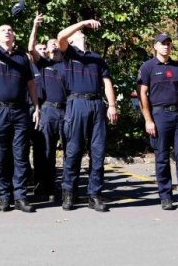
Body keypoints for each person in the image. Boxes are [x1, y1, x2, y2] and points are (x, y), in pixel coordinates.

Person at [0, 0, 40, 213]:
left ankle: (20, 196)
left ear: (14, 35)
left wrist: (37, 107)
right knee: (0, 155)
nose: (7, 32)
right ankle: (4, 196)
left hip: (20, 111)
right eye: (3, 30)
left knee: (21, 155)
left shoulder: (22, 58)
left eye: (10, 30)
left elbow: (31, 84)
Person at [56, 18, 118, 212]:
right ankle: (69, 193)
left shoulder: (97, 58)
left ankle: (95, 195)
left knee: (98, 151)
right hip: (77, 103)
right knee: (73, 151)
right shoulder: (69, 53)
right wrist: (82, 23)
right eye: (78, 32)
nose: (81, 33)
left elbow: (107, 82)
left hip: (97, 103)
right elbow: (60, 36)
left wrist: (112, 105)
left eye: (82, 31)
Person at [138, 34, 178, 211]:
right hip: (159, 115)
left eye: (168, 44)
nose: (166, 46)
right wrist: (148, 120)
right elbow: (142, 94)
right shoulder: (148, 67)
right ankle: (165, 196)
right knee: (162, 158)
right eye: (162, 44)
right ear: (155, 47)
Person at [28, 14, 67, 203]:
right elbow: (30, 48)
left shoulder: (67, 65)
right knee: (46, 151)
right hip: (48, 110)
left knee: (71, 150)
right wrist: (35, 27)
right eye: (49, 43)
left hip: (67, 110)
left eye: (54, 42)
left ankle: (66, 187)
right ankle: (44, 186)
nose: (52, 44)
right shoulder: (43, 64)